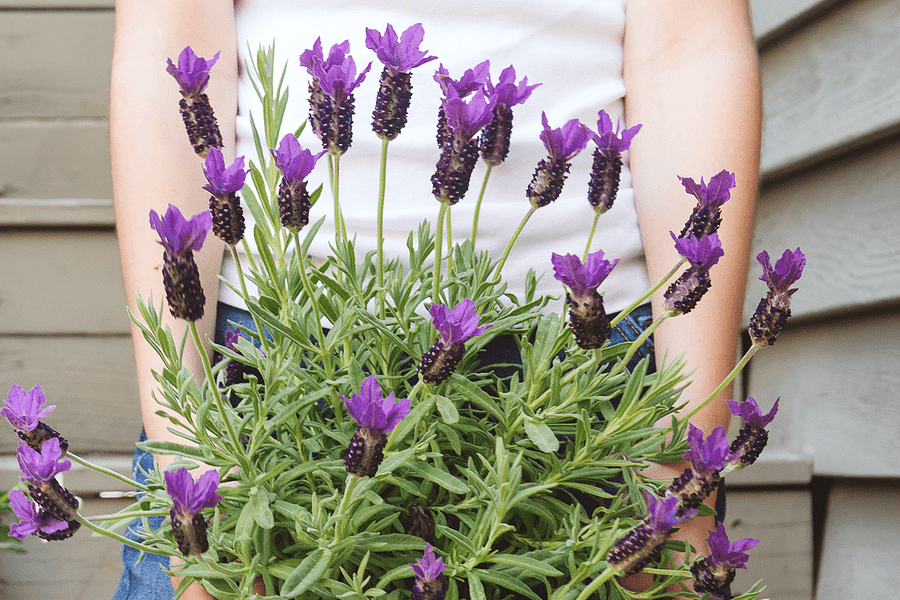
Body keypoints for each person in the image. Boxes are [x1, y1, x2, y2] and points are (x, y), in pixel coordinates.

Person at [109, 1, 760, 598]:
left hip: (590, 383)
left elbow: (689, 47)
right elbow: (163, 33)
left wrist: (685, 446)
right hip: (265, 377)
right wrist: (185, 446)